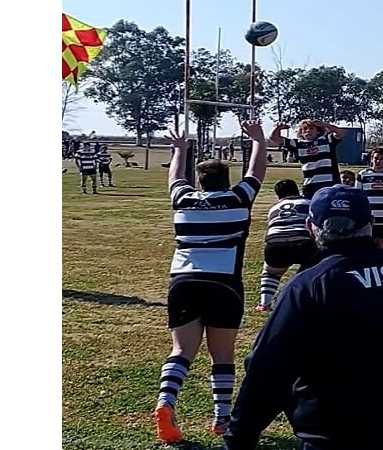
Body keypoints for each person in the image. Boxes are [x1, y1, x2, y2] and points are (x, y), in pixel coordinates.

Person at [223, 185, 383, 450]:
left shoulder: (309, 286)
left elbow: (267, 370)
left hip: (338, 433)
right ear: (370, 223)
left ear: (311, 227)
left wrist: (239, 436)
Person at [152, 120, 268, 444]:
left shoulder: (183, 201)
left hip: (183, 280)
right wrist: (258, 140)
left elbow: (175, 177)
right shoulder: (237, 200)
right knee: (223, 355)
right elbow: (256, 173)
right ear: (226, 180)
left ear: (199, 182)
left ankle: (166, 403)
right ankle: (221, 418)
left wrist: (179, 149)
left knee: (181, 350)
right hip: (224, 282)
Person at [257, 179, 319, 313]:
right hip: (303, 243)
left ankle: (264, 303)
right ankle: (301, 294)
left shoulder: (273, 209)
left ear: (278, 196)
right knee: (313, 269)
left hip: (275, 245)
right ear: (297, 190)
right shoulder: (308, 203)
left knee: (270, 272)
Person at [269, 119, 346, 199]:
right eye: (305, 129)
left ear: (318, 131)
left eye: (311, 128)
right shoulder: (297, 144)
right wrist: (278, 128)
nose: (308, 131)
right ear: (301, 132)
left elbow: (341, 133)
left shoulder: (327, 140)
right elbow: (274, 138)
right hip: (310, 187)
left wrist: (325, 125)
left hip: (330, 186)